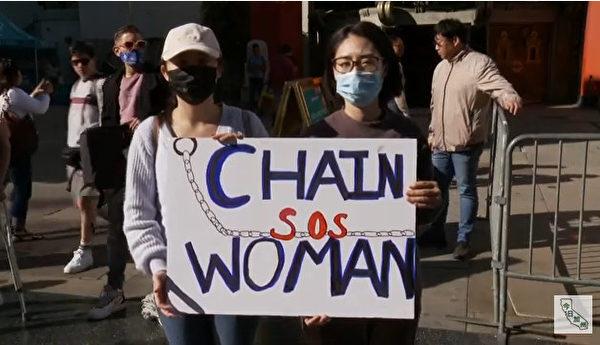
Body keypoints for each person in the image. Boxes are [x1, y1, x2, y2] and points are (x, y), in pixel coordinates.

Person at [123, 23, 268, 344]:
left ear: (218, 68)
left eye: (203, 64)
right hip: (178, 277)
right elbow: (138, 215)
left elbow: (278, 203)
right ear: (165, 71)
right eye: (183, 64)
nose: (193, 72)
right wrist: (157, 265)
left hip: (241, 276)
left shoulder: (248, 124)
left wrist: (247, 162)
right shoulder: (150, 133)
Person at [302, 21, 441, 345]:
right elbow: (298, 224)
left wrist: (432, 203)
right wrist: (305, 290)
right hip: (331, 290)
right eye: (345, 63)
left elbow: (420, 216)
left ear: (384, 67)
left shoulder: (407, 135)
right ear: (333, 71)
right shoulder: (314, 137)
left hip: (391, 283)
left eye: (367, 62)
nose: (356, 72)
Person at [418, 19, 522, 260]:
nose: (436, 48)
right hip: (441, 143)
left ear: (455, 41)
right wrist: (432, 133)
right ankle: (435, 232)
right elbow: (435, 104)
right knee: (439, 189)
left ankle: (463, 239)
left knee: (466, 189)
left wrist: (510, 96)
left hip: (466, 143)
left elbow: (499, 85)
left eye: (439, 43)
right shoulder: (441, 67)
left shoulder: (480, 64)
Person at [86, 24, 168, 320]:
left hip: (154, 158)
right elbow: (107, 123)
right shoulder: (110, 84)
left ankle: (158, 292)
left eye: (140, 45)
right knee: (117, 225)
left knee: (158, 222)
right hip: (119, 161)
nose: (135, 51)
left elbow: (171, 112)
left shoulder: (156, 79)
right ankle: (114, 289)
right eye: (129, 46)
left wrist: (149, 121)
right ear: (117, 51)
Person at [62, 41, 105, 274]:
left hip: (92, 154)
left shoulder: (101, 85)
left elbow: (107, 120)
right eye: (75, 62)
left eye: (84, 61)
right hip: (73, 154)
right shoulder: (76, 86)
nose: (79, 65)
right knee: (84, 204)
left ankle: (85, 249)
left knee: (87, 202)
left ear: (93, 59)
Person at [1, 61, 52, 240]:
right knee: (23, 188)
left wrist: (34, 94)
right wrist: (46, 94)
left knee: (9, 184)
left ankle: (11, 227)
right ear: (14, 76)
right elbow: (40, 108)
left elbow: (21, 108)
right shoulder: (15, 92)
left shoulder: (5, 94)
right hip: (18, 148)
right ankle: (18, 229)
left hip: (6, 145)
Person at [389, 34, 410, 116]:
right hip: (393, 105)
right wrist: (405, 112)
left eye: (402, 45)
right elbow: (398, 91)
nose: (402, 48)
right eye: (398, 45)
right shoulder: (394, 65)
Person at [246, 43, 267, 111]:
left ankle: (260, 107)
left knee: (260, 93)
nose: (256, 51)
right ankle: (251, 107)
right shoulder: (251, 58)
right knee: (251, 93)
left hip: (259, 78)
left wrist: (259, 68)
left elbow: (264, 68)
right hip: (252, 77)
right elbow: (248, 68)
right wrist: (253, 68)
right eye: (255, 50)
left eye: (257, 49)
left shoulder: (261, 58)